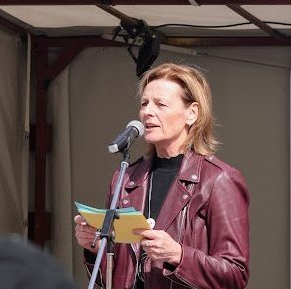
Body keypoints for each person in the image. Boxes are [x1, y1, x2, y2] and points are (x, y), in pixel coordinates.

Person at [74, 63, 249, 289]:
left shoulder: (218, 180)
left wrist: (179, 255)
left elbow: (235, 275)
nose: (148, 111)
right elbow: (114, 279)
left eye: (161, 104)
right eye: (144, 103)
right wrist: (95, 247)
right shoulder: (125, 179)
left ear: (192, 113)